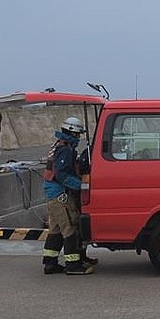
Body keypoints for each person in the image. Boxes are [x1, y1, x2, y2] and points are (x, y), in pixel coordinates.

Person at [41, 117, 96, 275]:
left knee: (56, 230)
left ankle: (50, 264)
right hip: (60, 194)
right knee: (70, 227)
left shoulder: (59, 145)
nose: (78, 137)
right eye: (77, 134)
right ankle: (73, 265)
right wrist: (81, 186)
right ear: (71, 132)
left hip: (53, 194)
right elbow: (62, 175)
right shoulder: (65, 149)